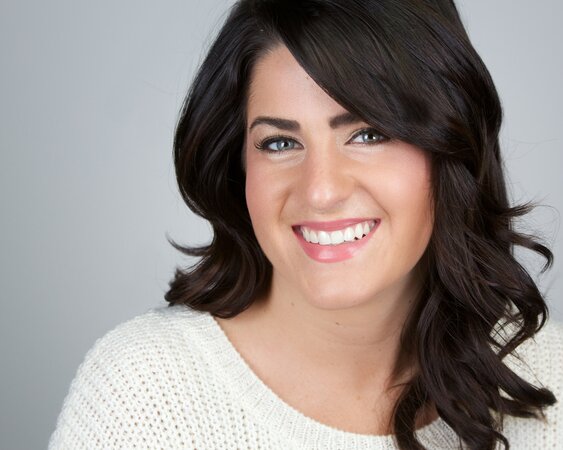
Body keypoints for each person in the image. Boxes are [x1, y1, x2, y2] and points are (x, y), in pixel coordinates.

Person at [49, 1, 562, 449]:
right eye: (279, 143)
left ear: (450, 146)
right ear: (238, 165)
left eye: (368, 134)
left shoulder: (549, 380)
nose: (320, 190)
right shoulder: (143, 393)